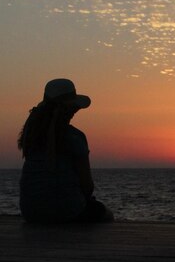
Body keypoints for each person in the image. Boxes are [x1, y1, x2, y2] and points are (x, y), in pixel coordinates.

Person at [17, 78, 113, 223]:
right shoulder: (75, 137)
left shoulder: (31, 135)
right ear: (71, 108)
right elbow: (87, 187)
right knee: (107, 214)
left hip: (31, 214)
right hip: (69, 212)